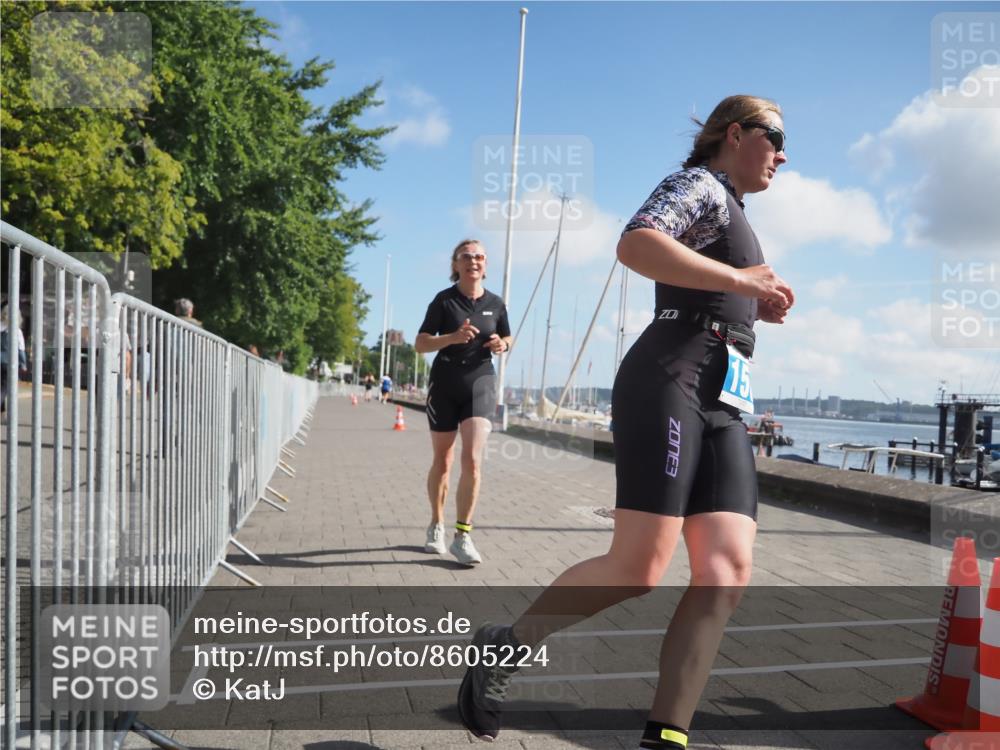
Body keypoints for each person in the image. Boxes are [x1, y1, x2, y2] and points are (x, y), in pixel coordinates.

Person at [457, 95, 794, 747]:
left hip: (725, 399)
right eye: (775, 138)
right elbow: (637, 243)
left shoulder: (738, 214)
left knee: (725, 574)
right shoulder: (700, 183)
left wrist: (753, 302)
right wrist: (742, 282)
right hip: (670, 377)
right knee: (640, 567)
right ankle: (505, 646)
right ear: (736, 133)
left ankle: (665, 737)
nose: (782, 155)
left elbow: (713, 283)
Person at [415, 239, 511, 566]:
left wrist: (503, 343)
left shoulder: (496, 303)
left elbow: (507, 336)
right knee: (443, 462)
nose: (474, 261)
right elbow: (420, 343)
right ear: (456, 264)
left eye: (480, 256)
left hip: (480, 383)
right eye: (467, 256)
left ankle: (463, 535)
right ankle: (435, 524)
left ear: (485, 264)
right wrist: (452, 338)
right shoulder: (444, 301)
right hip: (445, 383)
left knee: (472, 460)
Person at [1, 300, 28, 417]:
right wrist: (23, 364)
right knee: (6, 389)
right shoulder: (17, 331)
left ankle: (2, 412)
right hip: (9, 363)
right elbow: (20, 350)